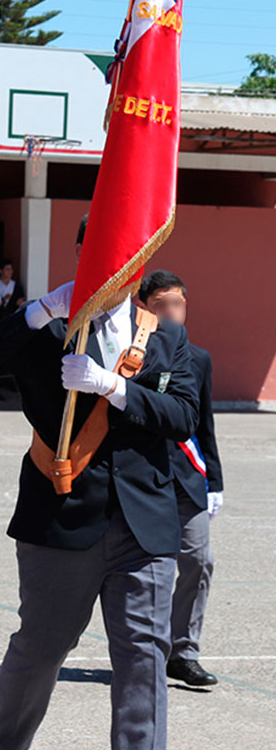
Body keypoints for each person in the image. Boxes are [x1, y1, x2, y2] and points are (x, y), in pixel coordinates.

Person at [0, 212, 200, 750]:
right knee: (40, 648)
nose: (115, 266)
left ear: (141, 263)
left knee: (143, 657)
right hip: (60, 513)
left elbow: (182, 416)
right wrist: (34, 313)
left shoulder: (167, 340)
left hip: (143, 523)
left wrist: (115, 388)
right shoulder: (50, 327)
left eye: (127, 255)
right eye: (101, 252)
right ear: (82, 254)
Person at [138, 269, 224, 688]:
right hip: (144, 476)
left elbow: (204, 424)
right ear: (145, 310)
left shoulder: (199, 359)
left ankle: (183, 652)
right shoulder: (135, 353)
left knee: (199, 560)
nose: (172, 312)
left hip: (188, 477)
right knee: (149, 570)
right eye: (161, 305)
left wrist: (216, 482)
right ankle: (147, 652)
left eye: (178, 303)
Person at [0, 259, 25, 326]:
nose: (10, 271)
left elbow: (20, 302)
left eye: (11, 269)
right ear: (0, 271)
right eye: (7, 269)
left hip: (11, 319)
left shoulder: (16, 286)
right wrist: (3, 299)